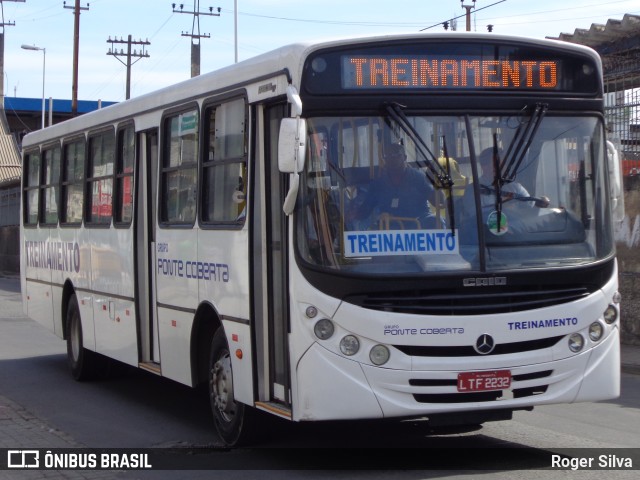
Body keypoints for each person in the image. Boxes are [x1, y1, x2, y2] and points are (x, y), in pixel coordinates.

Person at [349, 143, 441, 229]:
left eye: (396, 155)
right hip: (390, 229)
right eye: (387, 156)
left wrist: (435, 183)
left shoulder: (419, 178)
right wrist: (351, 214)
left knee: (436, 221)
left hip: (418, 226)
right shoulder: (378, 184)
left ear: (405, 157)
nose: (392, 158)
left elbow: (438, 201)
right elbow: (365, 211)